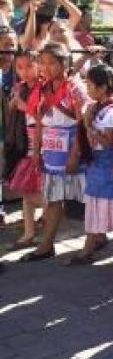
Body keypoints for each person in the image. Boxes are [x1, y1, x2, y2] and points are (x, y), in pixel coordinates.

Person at [21, 43, 90, 262]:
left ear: (65, 64)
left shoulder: (74, 87)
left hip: (72, 147)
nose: (45, 67)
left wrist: (75, 153)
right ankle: (46, 244)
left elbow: (82, 122)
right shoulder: (41, 89)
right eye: (42, 62)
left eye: (51, 63)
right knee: (53, 198)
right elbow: (39, 120)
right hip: (51, 151)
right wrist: (37, 150)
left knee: (86, 197)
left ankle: (94, 239)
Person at [70, 64, 113, 264]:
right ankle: (97, 238)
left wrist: (88, 126)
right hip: (98, 163)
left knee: (97, 202)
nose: (87, 89)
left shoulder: (111, 112)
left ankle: (88, 248)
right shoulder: (96, 108)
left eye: (91, 86)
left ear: (103, 88)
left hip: (106, 163)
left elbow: (108, 141)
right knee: (95, 203)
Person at [6, 50, 44, 250]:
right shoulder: (19, 87)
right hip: (24, 144)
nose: (25, 72)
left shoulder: (44, 87)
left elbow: (45, 118)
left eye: (29, 66)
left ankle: (53, 211)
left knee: (29, 190)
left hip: (41, 143)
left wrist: (23, 107)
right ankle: (28, 233)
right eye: (20, 67)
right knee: (26, 190)